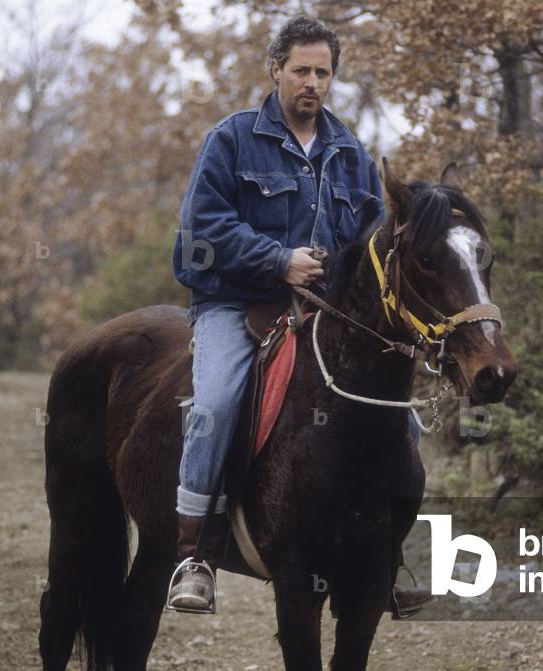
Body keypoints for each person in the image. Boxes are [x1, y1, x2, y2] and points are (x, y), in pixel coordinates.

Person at [168, 15, 424, 614]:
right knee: (215, 405)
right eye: (301, 69)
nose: (312, 81)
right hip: (239, 305)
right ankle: (195, 553)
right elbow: (199, 233)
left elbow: (372, 250)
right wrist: (277, 260)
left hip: (327, 317)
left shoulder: (350, 154)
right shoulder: (231, 140)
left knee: (402, 421)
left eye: (323, 72)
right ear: (276, 69)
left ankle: (384, 558)